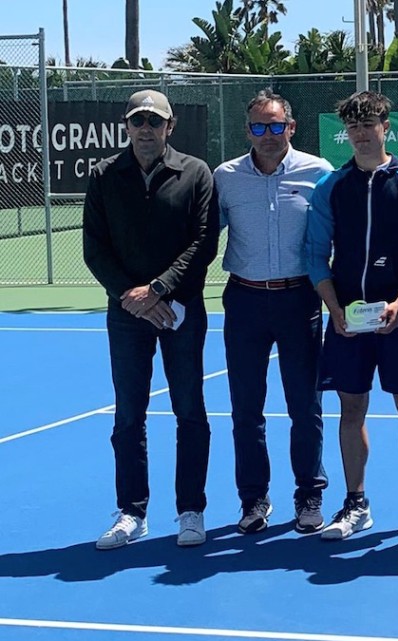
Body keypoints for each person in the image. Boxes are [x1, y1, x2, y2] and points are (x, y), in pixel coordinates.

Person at [83, 90, 219, 550]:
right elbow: (94, 248)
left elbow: (203, 243)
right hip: (126, 315)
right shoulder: (104, 176)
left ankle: (191, 511)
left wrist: (159, 290)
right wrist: (131, 296)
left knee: (190, 412)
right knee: (128, 415)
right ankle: (131, 513)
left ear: (170, 126)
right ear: (126, 126)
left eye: (154, 122)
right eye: (138, 121)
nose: (146, 129)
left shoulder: (195, 173)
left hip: (181, 312)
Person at [306, 91, 398, 541]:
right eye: (354, 127)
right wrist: (335, 309)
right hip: (348, 320)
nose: (362, 134)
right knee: (351, 408)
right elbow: (314, 255)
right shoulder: (331, 187)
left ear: (387, 126)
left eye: (370, 125)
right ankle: (355, 502)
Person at [214, 89, 333, 536]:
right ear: (248, 130)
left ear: (291, 127)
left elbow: (338, 234)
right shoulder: (224, 177)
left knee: (305, 404)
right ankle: (254, 499)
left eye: (276, 125)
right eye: (259, 127)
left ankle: (309, 495)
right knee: (246, 408)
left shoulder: (319, 172)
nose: (267, 134)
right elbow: (201, 234)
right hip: (244, 300)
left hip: (299, 298)